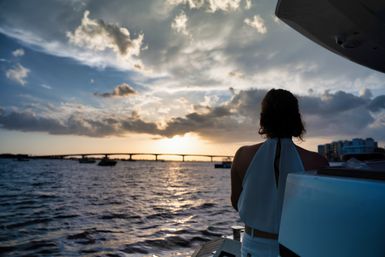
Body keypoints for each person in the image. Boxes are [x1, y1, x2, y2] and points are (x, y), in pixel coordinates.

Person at [231, 88, 328, 257]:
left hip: (252, 247)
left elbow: (235, 202)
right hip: (296, 247)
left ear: (263, 119)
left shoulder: (242, 156)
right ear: (296, 120)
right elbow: (320, 214)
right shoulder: (317, 162)